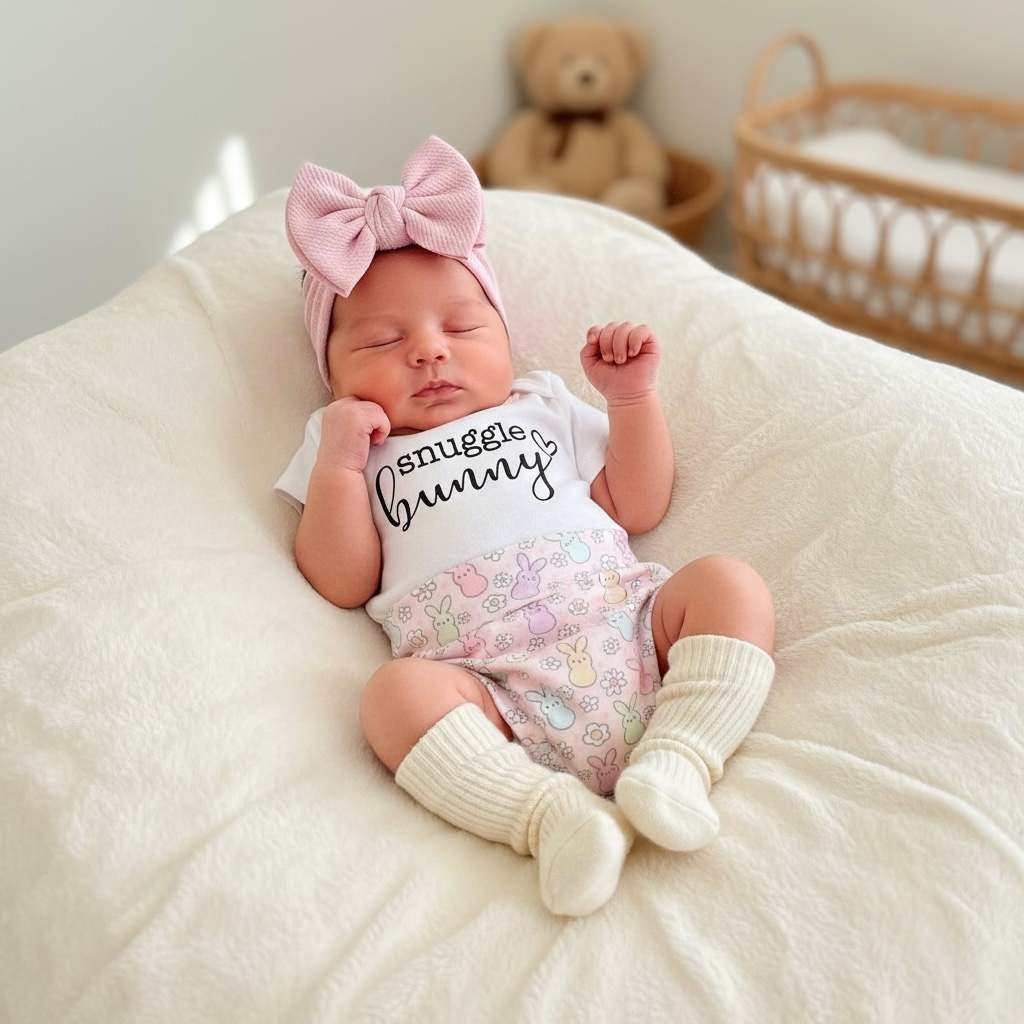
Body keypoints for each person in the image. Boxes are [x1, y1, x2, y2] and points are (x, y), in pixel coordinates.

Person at [276, 136, 775, 917]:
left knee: (728, 585)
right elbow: (341, 581)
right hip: (488, 687)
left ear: (504, 338)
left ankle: (680, 759)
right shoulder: (348, 443)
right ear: (332, 371)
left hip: (627, 627)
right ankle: (549, 817)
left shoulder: (539, 405)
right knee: (391, 698)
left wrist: (630, 399)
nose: (429, 351)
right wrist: (339, 465)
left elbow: (637, 504)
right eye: (382, 341)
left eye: (463, 329)